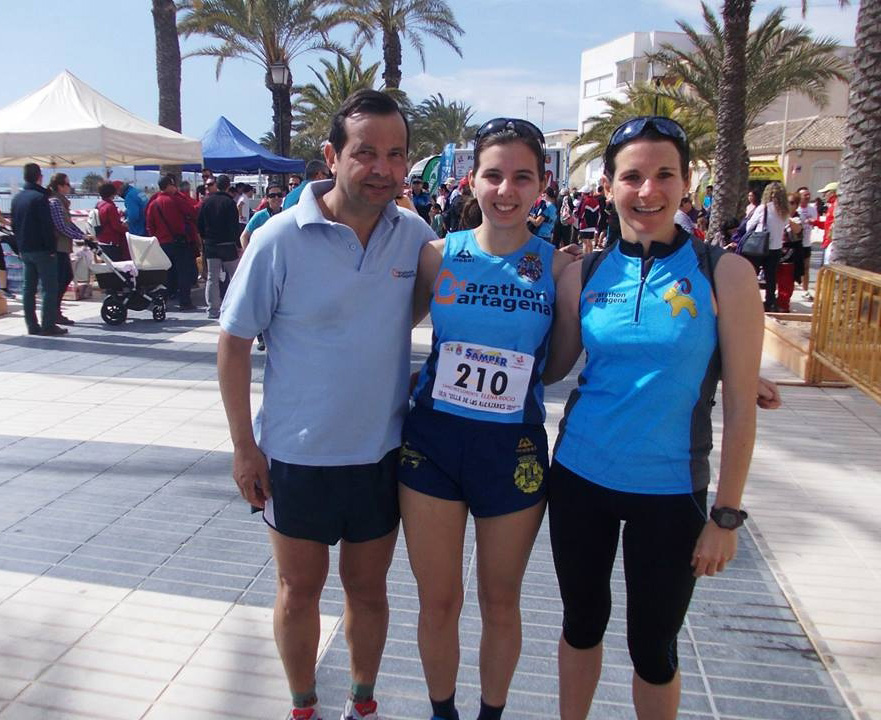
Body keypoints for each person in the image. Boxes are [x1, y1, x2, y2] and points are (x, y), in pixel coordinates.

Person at [217, 89, 436, 720]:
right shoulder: (279, 239)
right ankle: (303, 705)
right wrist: (244, 447)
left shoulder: (415, 237)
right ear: (332, 156)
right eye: (366, 153)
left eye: (396, 154)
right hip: (296, 457)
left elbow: (437, 300)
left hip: (378, 455)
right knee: (298, 591)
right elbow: (233, 344)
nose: (383, 169)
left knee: (368, 592)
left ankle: (362, 704)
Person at [543, 116, 765, 720]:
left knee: (654, 649)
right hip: (580, 478)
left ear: (686, 182)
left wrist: (726, 515)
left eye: (665, 174)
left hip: (671, 491)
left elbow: (741, 406)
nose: (648, 191)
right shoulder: (583, 273)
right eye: (632, 177)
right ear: (608, 186)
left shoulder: (725, 273)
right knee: (581, 624)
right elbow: (552, 367)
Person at [400, 117, 578, 720]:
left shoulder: (559, 268)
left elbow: (559, 365)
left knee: (500, 602)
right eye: (494, 175)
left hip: (513, 452)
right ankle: (442, 713)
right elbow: (384, 326)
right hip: (433, 444)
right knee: (439, 601)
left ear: (542, 184)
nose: (506, 190)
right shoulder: (437, 256)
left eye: (522, 177)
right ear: (471, 180)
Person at [10, 163, 66, 336]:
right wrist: (51, 248)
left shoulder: (17, 198)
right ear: (39, 177)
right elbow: (46, 226)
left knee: (28, 289)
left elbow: (14, 225)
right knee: (49, 288)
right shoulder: (40, 198)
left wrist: (19, 246)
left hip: (25, 249)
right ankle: (48, 325)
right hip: (42, 250)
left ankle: (32, 325)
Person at [146, 175, 198, 311]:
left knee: (166, 274)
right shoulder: (175, 200)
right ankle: (185, 302)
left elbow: (150, 226)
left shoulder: (153, 204)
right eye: (173, 185)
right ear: (169, 186)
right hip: (179, 241)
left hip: (162, 243)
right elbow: (192, 212)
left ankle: (166, 300)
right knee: (183, 272)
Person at [198, 174, 241, 319]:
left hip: (211, 245)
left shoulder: (206, 202)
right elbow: (234, 227)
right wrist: (238, 245)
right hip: (228, 245)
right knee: (235, 276)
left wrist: (205, 238)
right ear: (228, 186)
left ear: (216, 185)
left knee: (212, 278)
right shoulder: (230, 203)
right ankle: (236, 306)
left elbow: (199, 224)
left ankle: (213, 310)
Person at [47, 173, 86, 326]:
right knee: (62, 278)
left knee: (65, 277)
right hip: (58, 246)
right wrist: (80, 236)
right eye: (68, 184)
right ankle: (54, 311)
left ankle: (56, 310)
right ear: (60, 186)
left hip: (63, 246)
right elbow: (61, 226)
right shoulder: (55, 202)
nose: (70, 187)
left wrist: (82, 235)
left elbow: (68, 223)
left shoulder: (61, 202)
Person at [745, 181, 789, 312]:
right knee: (771, 277)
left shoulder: (762, 208)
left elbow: (749, 226)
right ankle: (770, 302)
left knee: (753, 274)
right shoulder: (784, 211)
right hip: (776, 248)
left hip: (760, 246)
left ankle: (750, 300)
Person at [240, 182, 285, 250]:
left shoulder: (286, 214)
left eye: (279, 195)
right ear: (267, 198)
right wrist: (249, 254)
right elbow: (244, 237)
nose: (276, 197)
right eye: (272, 195)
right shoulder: (259, 216)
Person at [795, 186, 819, 298]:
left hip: (806, 243)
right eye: (805, 195)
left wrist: (812, 222)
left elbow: (815, 222)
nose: (808, 197)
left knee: (806, 267)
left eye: (809, 195)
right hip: (795, 242)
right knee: (791, 267)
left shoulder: (812, 209)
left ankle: (805, 290)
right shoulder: (795, 208)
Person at [96, 183, 129, 261]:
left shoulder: (99, 204)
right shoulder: (110, 207)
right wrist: (127, 229)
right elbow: (116, 226)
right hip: (111, 241)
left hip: (101, 239)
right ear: (113, 193)